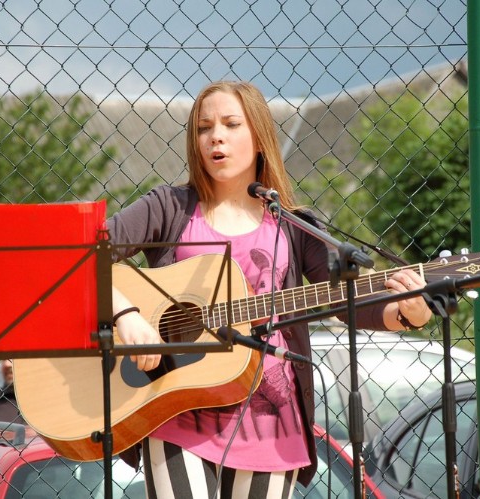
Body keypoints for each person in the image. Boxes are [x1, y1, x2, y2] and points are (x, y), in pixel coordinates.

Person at [107, 81, 432, 498]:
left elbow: (344, 301)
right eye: (204, 128)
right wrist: (126, 314)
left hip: (271, 421)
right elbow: (83, 253)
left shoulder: (293, 225)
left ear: (259, 137)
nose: (215, 137)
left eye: (231, 124)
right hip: (177, 409)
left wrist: (408, 311)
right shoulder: (168, 207)